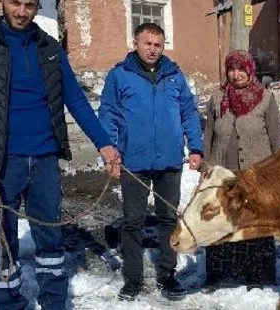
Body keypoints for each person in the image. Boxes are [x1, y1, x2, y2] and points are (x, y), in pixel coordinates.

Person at [0, 0, 121, 309]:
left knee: (51, 238)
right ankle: (9, 303)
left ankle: (53, 302)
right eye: (15, 3)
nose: (22, 12)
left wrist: (104, 143)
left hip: (44, 160)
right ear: (1, 2)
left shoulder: (50, 48)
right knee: (1, 240)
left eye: (29, 5)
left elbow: (75, 99)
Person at [97, 22, 204, 301]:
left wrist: (195, 147)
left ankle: (168, 276)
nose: (153, 50)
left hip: (169, 160)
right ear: (136, 43)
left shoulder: (174, 75)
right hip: (134, 160)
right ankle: (133, 279)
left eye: (158, 45)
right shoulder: (120, 76)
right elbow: (108, 114)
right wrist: (110, 151)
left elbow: (189, 112)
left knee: (169, 219)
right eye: (148, 44)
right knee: (133, 221)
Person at [202, 50, 280, 291]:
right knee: (219, 221)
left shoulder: (266, 98)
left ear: (250, 71)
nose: (236, 75)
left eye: (241, 69)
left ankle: (258, 275)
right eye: (232, 69)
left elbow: (276, 137)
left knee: (256, 222)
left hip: (257, 174)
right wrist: (206, 166)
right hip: (223, 173)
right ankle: (217, 274)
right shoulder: (217, 98)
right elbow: (208, 135)